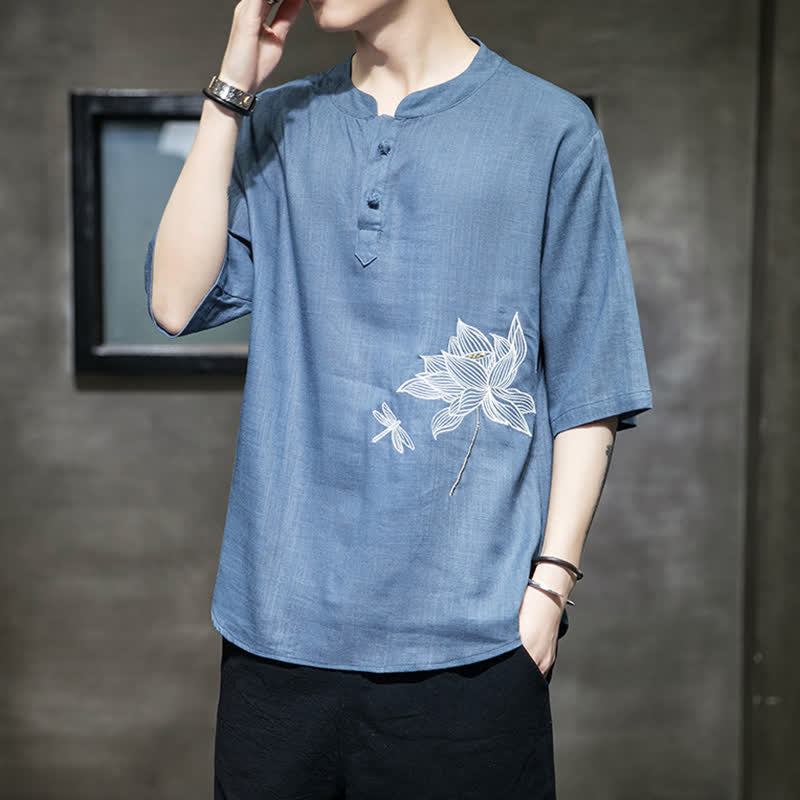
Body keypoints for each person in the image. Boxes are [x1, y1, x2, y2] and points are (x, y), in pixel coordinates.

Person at [143, 0, 654, 796]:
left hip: (474, 648)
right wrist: (231, 90)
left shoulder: (550, 130)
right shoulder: (279, 122)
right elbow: (175, 302)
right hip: (276, 641)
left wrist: (550, 587)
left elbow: (592, 384)